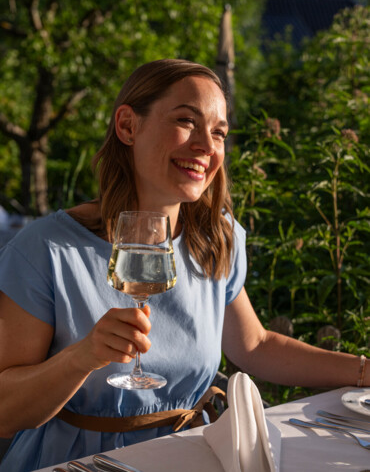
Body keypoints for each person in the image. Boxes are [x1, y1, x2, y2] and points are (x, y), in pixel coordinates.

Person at [0, 59, 368, 472]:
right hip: (78, 462)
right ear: (127, 126)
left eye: (218, 133)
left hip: (191, 456)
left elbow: (256, 345)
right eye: (186, 121)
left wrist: (362, 372)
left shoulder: (214, 237)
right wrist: (82, 357)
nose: (207, 147)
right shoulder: (45, 249)